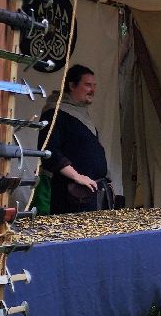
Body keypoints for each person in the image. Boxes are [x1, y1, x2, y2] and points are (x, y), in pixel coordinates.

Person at [38, 64, 110, 213]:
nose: (92, 90)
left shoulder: (83, 114)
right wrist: (77, 176)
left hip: (90, 194)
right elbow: (48, 151)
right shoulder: (54, 113)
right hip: (71, 196)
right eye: (88, 85)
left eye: (94, 85)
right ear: (72, 86)